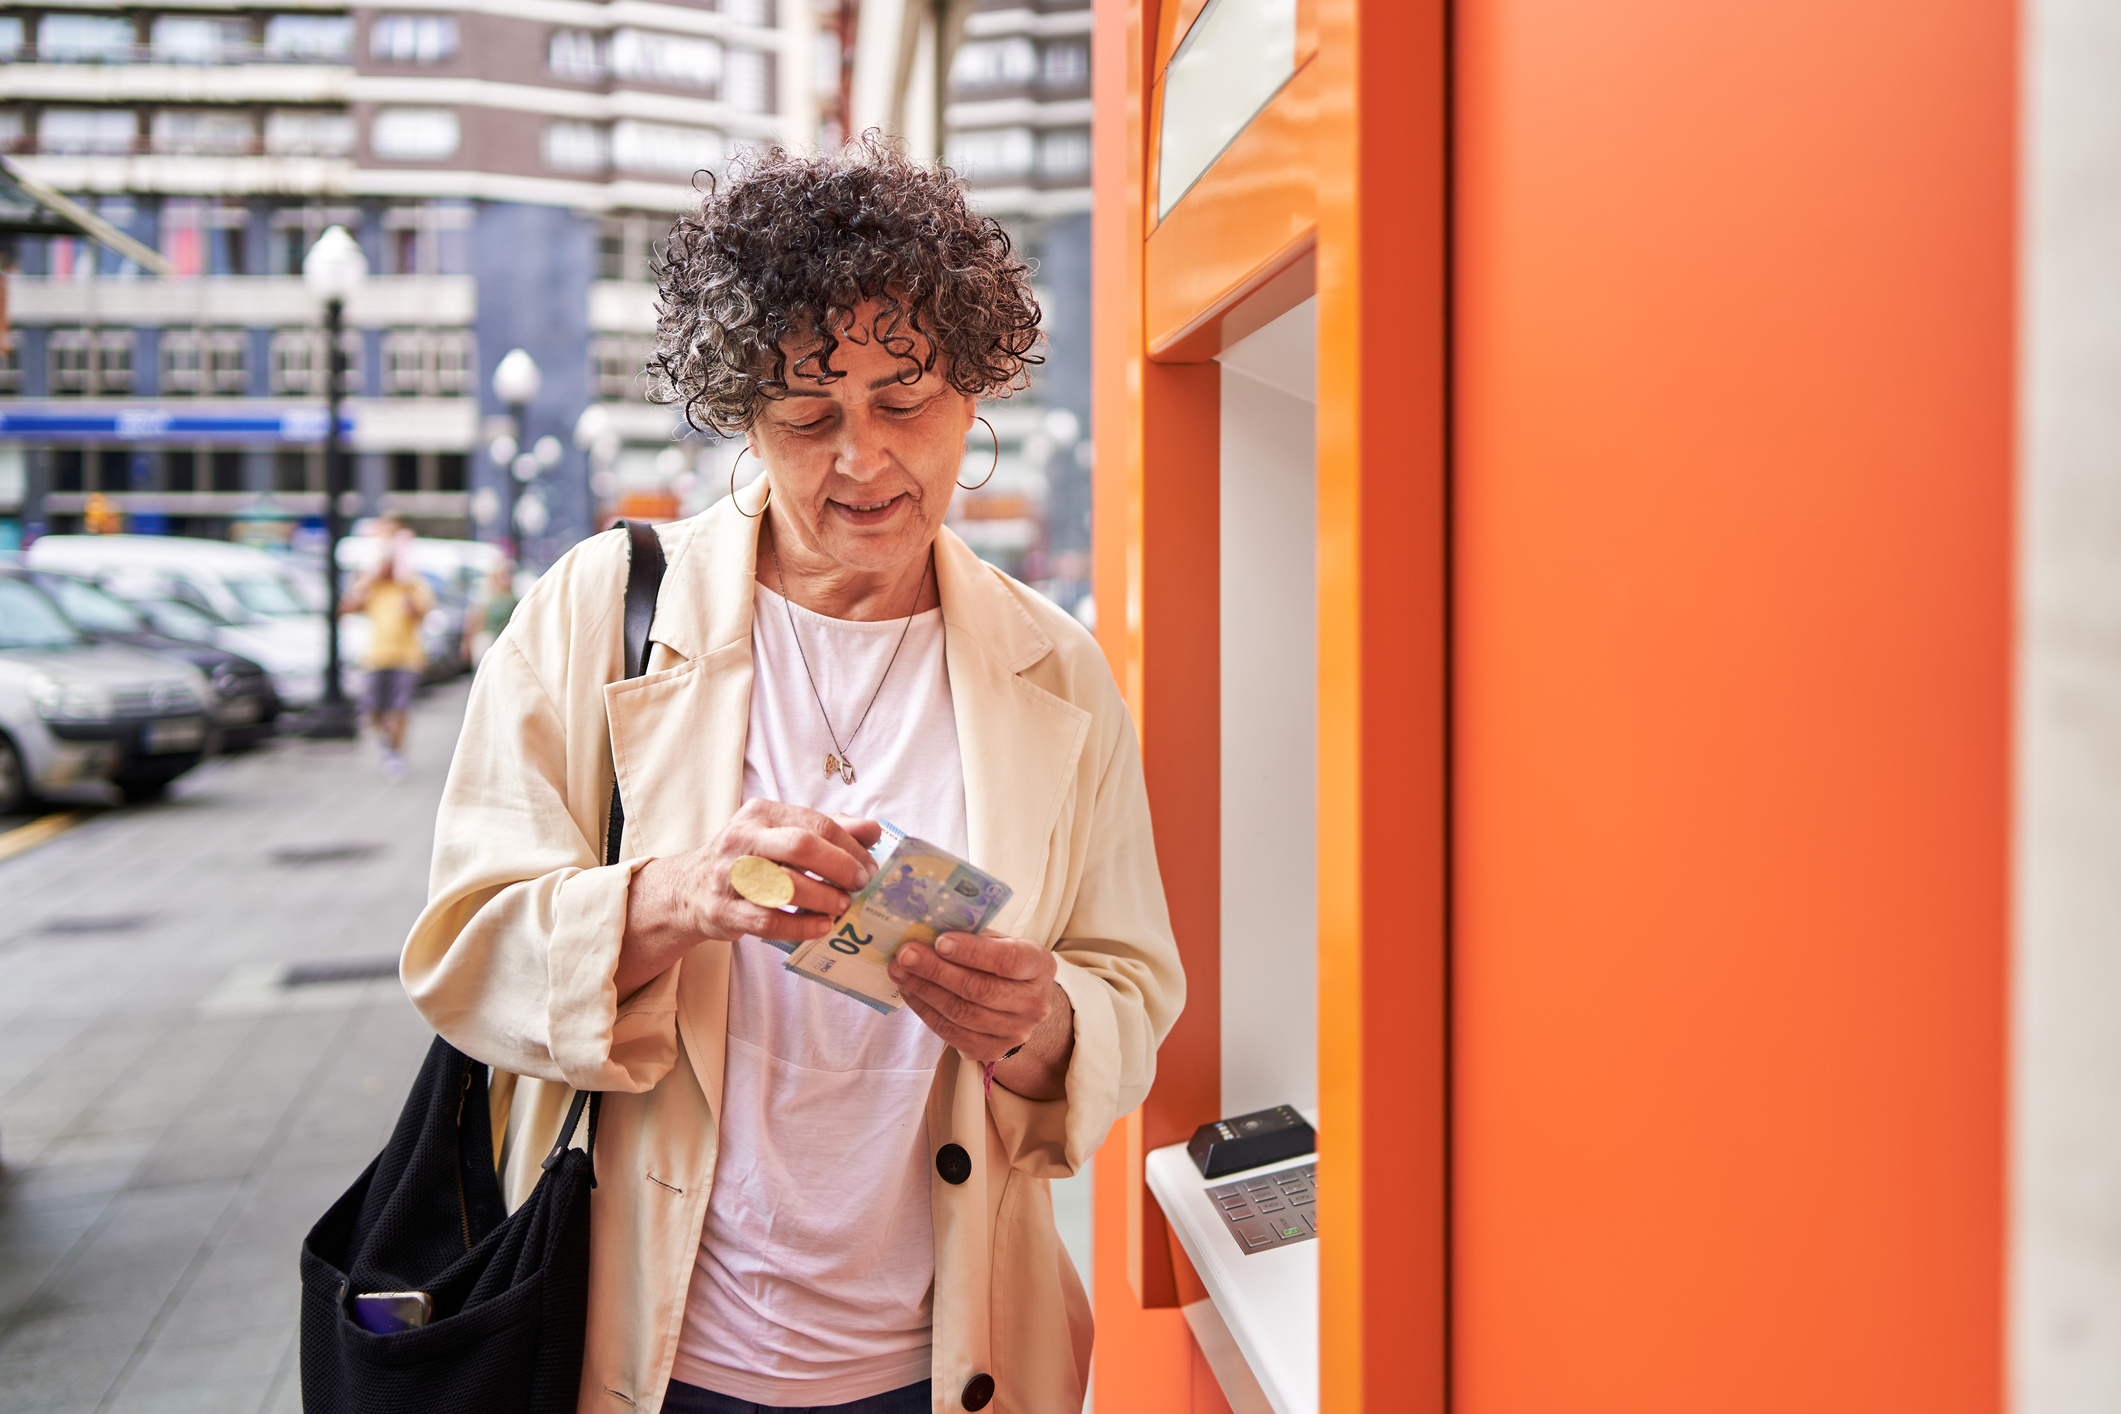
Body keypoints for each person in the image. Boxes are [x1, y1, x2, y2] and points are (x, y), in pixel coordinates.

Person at [402, 138, 1183, 1414]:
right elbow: (460, 951)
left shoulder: (1059, 670)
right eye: (809, 416)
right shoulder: (599, 610)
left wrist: (1038, 1026)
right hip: (645, 1353)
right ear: (743, 415)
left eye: (905, 400)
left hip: (950, 1363)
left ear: (978, 388)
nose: (862, 459)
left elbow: (1130, 987)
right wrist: (673, 895)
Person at [340, 516, 433, 780]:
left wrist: (407, 595)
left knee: (399, 709)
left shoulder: (412, 585)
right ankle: (386, 743)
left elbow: (423, 612)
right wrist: (365, 580)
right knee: (373, 710)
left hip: (407, 655)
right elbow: (348, 608)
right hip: (376, 655)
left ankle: (397, 752)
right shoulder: (372, 587)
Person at [462, 556, 519, 670]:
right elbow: (475, 620)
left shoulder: (512, 600)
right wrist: (467, 642)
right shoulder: (485, 597)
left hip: (502, 641)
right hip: (486, 639)